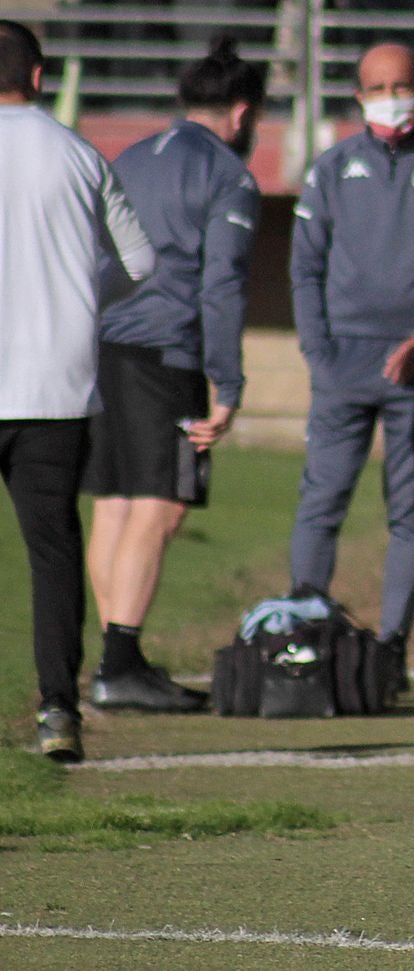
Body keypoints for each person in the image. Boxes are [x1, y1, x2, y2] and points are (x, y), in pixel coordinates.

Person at [289, 41, 414, 675]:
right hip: (342, 362)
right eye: (376, 88)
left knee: (412, 506)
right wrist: (319, 354)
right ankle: (305, 631)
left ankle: (392, 646)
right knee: (323, 497)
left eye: (400, 85)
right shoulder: (330, 167)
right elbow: (304, 267)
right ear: (358, 96)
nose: (389, 97)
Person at [84, 38, 266, 713]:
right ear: (244, 112)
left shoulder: (130, 156)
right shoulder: (226, 176)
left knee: (116, 503)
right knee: (160, 506)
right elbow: (221, 286)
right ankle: (121, 664)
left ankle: (112, 656)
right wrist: (229, 384)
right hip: (165, 354)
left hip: (104, 345)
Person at [0, 20, 156, 761]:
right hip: (55, 387)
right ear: (38, 77)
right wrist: (87, 298)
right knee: (54, 551)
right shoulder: (77, 153)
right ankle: (58, 709)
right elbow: (138, 259)